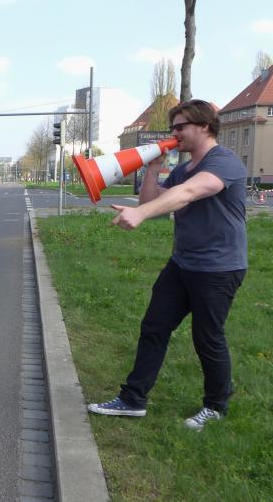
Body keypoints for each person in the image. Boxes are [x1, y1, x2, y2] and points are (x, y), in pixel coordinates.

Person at [88, 100, 247, 431]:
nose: (174, 133)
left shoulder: (224, 162)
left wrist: (141, 214)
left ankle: (216, 406)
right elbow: (152, 200)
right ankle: (133, 399)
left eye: (180, 127)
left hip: (219, 268)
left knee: (207, 337)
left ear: (204, 126)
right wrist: (152, 168)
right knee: (154, 327)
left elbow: (188, 193)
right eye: (173, 128)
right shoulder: (182, 169)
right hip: (183, 263)